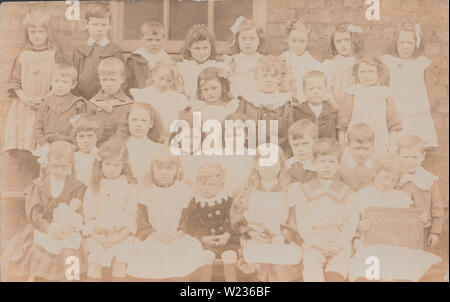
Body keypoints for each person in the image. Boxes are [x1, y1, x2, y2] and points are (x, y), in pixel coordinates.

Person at [1, 141, 86, 281]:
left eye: (63, 167)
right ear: (47, 165)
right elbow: (35, 214)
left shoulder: (77, 187)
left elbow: (80, 211)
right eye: (55, 166)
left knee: (70, 254)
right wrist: (47, 228)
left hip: (69, 229)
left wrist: (69, 229)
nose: (59, 170)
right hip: (43, 227)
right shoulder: (39, 186)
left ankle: (70, 279)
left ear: (70, 166)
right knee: (39, 252)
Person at [83, 139, 138, 281]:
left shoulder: (129, 188)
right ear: (100, 164)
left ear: (123, 166)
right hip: (98, 234)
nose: (111, 169)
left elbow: (132, 215)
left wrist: (119, 237)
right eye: (107, 164)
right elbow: (89, 216)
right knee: (94, 261)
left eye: (116, 165)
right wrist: (97, 236)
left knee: (120, 260)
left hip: (121, 235)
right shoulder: (93, 187)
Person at [127, 19, 170, 89]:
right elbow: (129, 82)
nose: (154, 43)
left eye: (157, 40)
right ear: (141, 38)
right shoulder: (134, 59)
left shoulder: (166, 60)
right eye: (149, 40)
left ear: (163, 39)